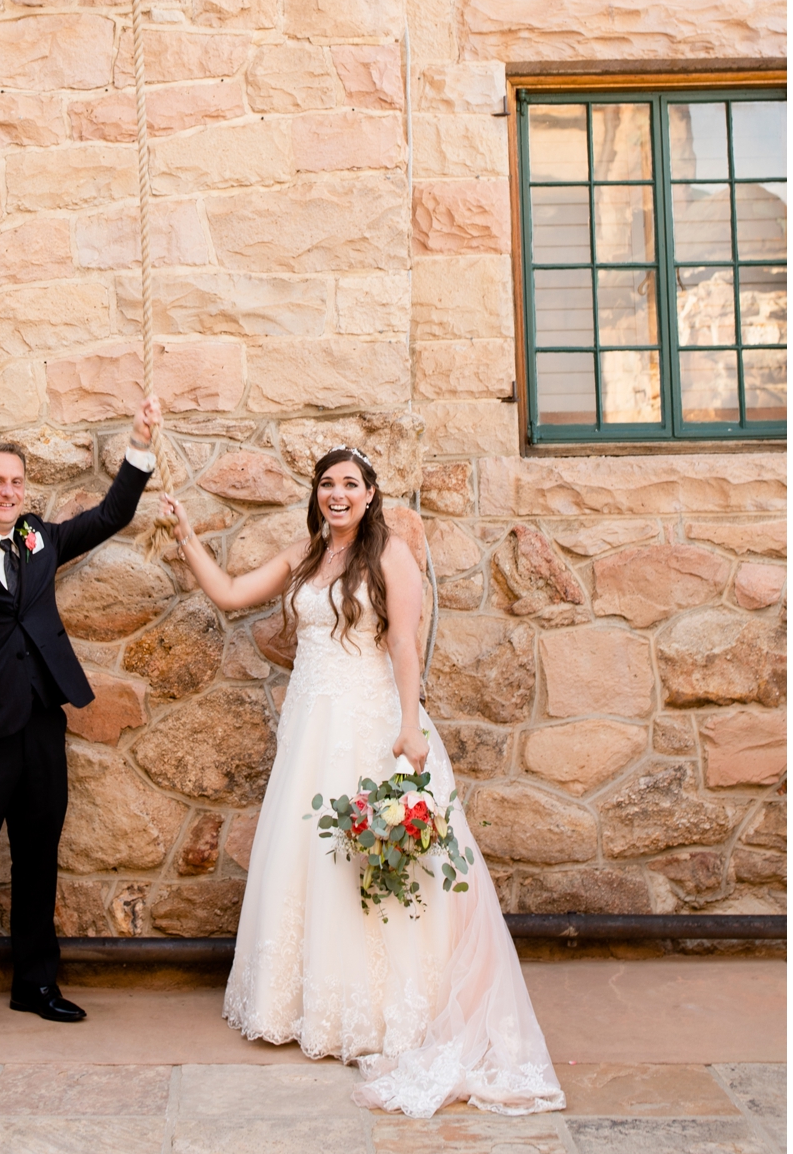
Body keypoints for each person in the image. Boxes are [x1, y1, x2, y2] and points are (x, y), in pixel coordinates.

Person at [158, 445, 566, 1116]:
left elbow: (403, 642)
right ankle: (309, 1001)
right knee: (310, 856)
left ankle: (382, 1007)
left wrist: (409, 724)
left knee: (370, 861)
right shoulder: (305, 553)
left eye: (350, 483)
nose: (337, 493)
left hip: (372, 722)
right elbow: (231, 592)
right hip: (311, 728)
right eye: (327, 483)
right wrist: (185, 537)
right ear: (316, 494)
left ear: (371, 494)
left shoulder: (391, 556)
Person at [0, 396, 161, 1042]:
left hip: (42, 727)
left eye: (17, 481)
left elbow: (111, 514)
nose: (8, 490)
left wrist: (139, 444)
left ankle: (36, 983)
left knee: (38, 859)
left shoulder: (39, 538)